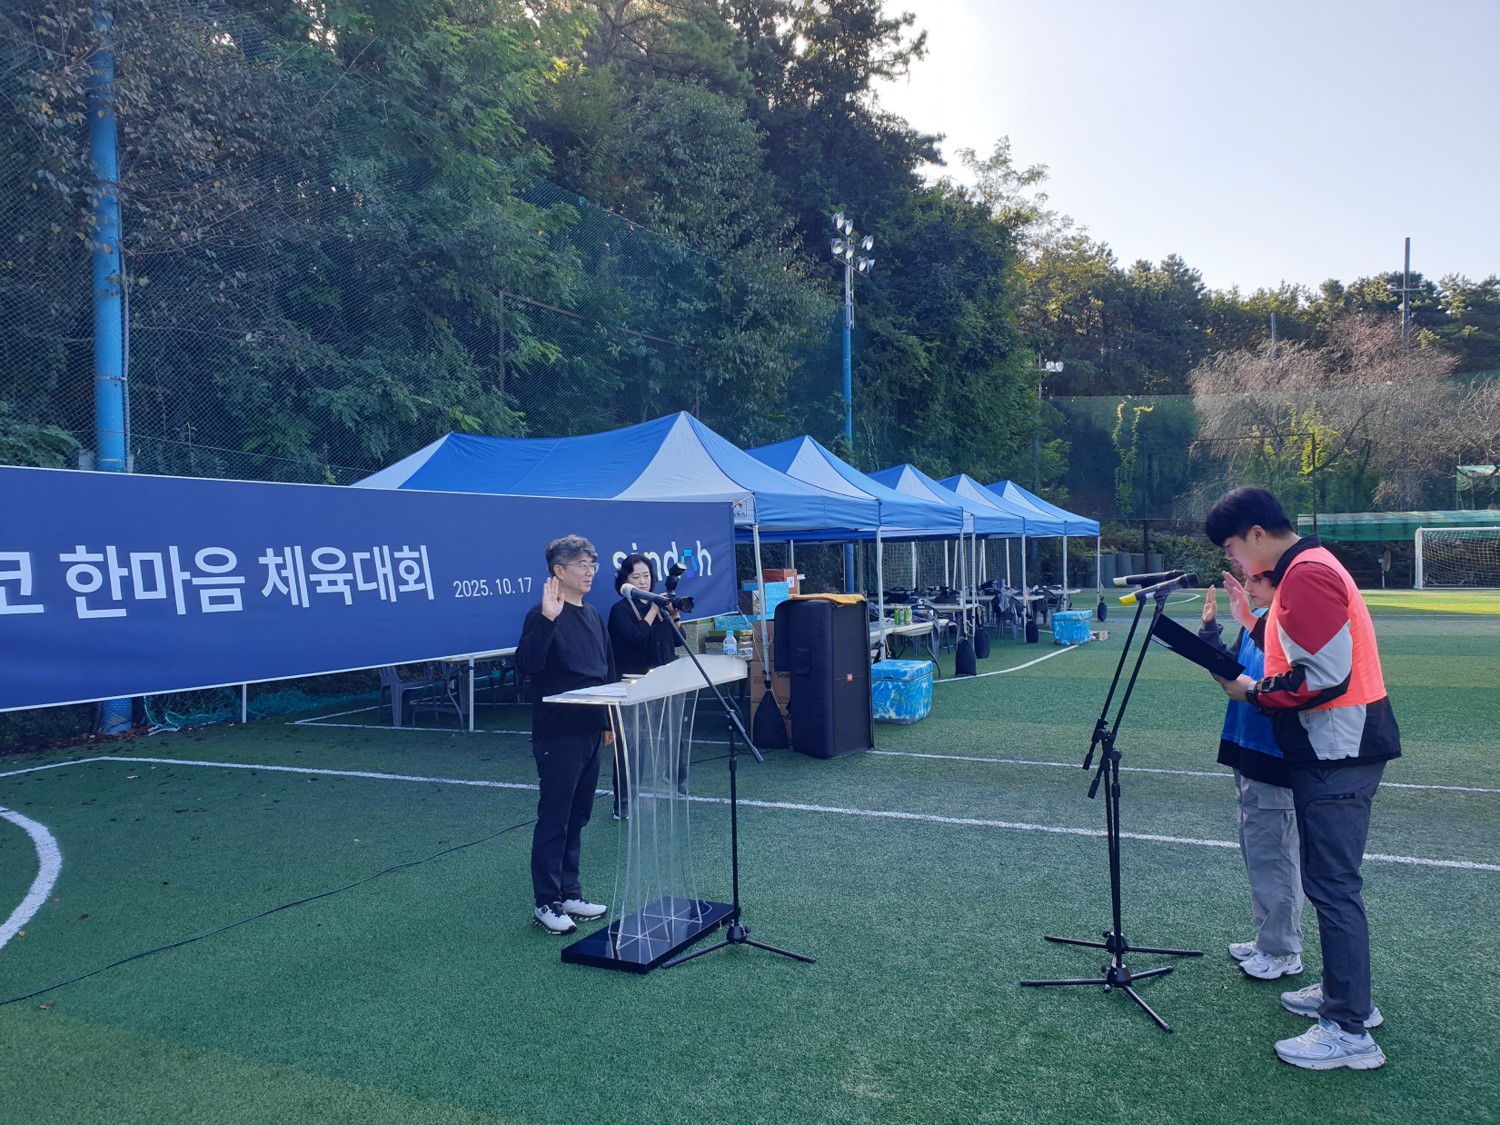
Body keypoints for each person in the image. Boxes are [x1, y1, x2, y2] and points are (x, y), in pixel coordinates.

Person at [1206, 487, 1401, 1071]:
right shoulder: (1306, 569)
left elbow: (1321, 677)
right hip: (1337, 744)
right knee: (1330, 882)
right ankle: (1346, 998)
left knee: (1333, 886)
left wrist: (1252, 692)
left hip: (1339, 748)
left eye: (1233, 547)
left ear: (1256, 534)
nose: (1235, 561)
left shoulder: (1308, 574)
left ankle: (1349, 1028)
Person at [1199, 571, 1307, 982]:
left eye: (1256, 580)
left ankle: (1283, 950)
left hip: (1275, 754)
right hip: (1247, 747)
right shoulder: (1256, 622)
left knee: (1276, 855)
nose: (1247, 587)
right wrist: (1209, 631)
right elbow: (1226, 675)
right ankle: (1268, 938)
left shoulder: (1291, 628)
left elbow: (1297, 688)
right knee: (1258, 851)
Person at [514, 535, 617, 936]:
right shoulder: (542, 614)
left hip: (591, 729)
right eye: (582, 565)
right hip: (559, 733)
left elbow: (607, 671)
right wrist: (547, 619)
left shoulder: (593, 615)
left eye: (593, 565)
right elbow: (527, 664)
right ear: (559, 571)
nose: (590, 572)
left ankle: (569, 892)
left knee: (578, 815)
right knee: (555, 818)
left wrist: (608, 720)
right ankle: (547, 901)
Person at [606, 554, 685, 817]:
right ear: (625, 580)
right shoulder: (620, 610)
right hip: (633, 685)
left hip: (665, 682)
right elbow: (634, 638)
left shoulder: (660, 605)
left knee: (672, 735)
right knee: (632, 745)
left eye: (647, 576)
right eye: (636, 577)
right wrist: (652, 610)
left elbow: (678, 641)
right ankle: (624, 803)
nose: (643, 581)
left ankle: (676, 782)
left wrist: (674, 616)